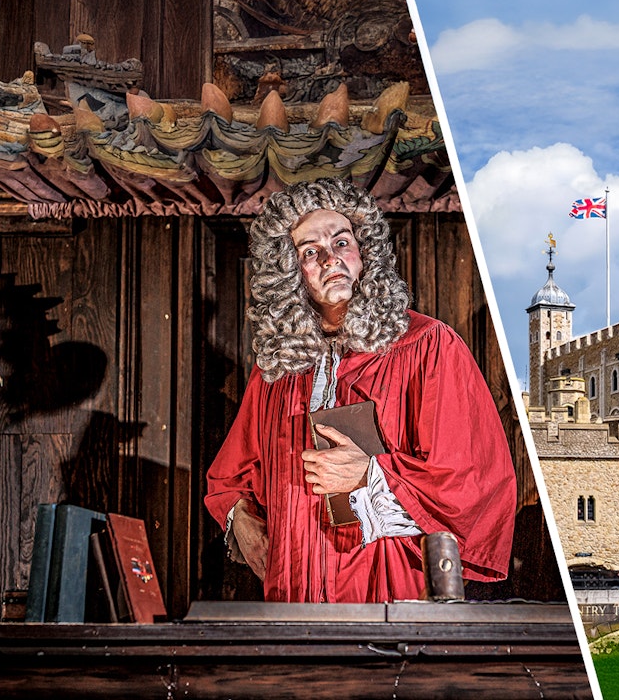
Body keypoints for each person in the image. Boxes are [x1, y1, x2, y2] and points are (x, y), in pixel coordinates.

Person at [204, 178, 517, 603]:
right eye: (310, 251)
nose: (330, 258)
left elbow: (475, 481)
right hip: (292, 591)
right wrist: (239, 515)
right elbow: (231, 475)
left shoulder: (428, 345)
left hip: (390, 587)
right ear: (288, 271)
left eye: (341, 242)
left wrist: (371, 475)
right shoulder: (278, 367)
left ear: (365, 251)